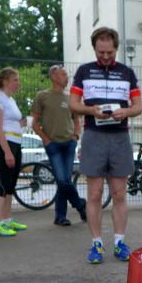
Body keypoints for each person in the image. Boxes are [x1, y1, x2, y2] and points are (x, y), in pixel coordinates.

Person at [69, 27, 142, 264]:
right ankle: (97, 244)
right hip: (94, 136)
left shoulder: (127, 73)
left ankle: (120, 243)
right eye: (101, 52)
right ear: (94, 49)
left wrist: (126, 112)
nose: (106, 57)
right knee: (94, 194)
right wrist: (91, 110)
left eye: (110, 52)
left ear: (116, 48)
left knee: (119, 194)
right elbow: (73, 104)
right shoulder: (84, 71)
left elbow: (138, 106)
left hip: (119, 137)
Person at [31, 65, 87, 226]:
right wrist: (45, 139)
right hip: (53, 145)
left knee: (64, 181)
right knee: (62, 181)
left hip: (69, 144)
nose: (67, 77)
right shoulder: (42, 96)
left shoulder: (70, 98)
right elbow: (34, 122)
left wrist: (75, 136)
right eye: (63, 74)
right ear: (53, 76)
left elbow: (77, 120)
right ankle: (80, 205)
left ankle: (60, 217)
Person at [0, 67, 29, 237]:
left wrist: (23, 123)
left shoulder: (10, 100)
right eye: (15, 80)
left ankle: (7, 219)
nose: (18, 83)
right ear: (5, 81)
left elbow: (12, 123)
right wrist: (7, 152)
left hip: (16, 143)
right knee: (4, 182)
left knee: (11, 184)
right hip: (6, 143)